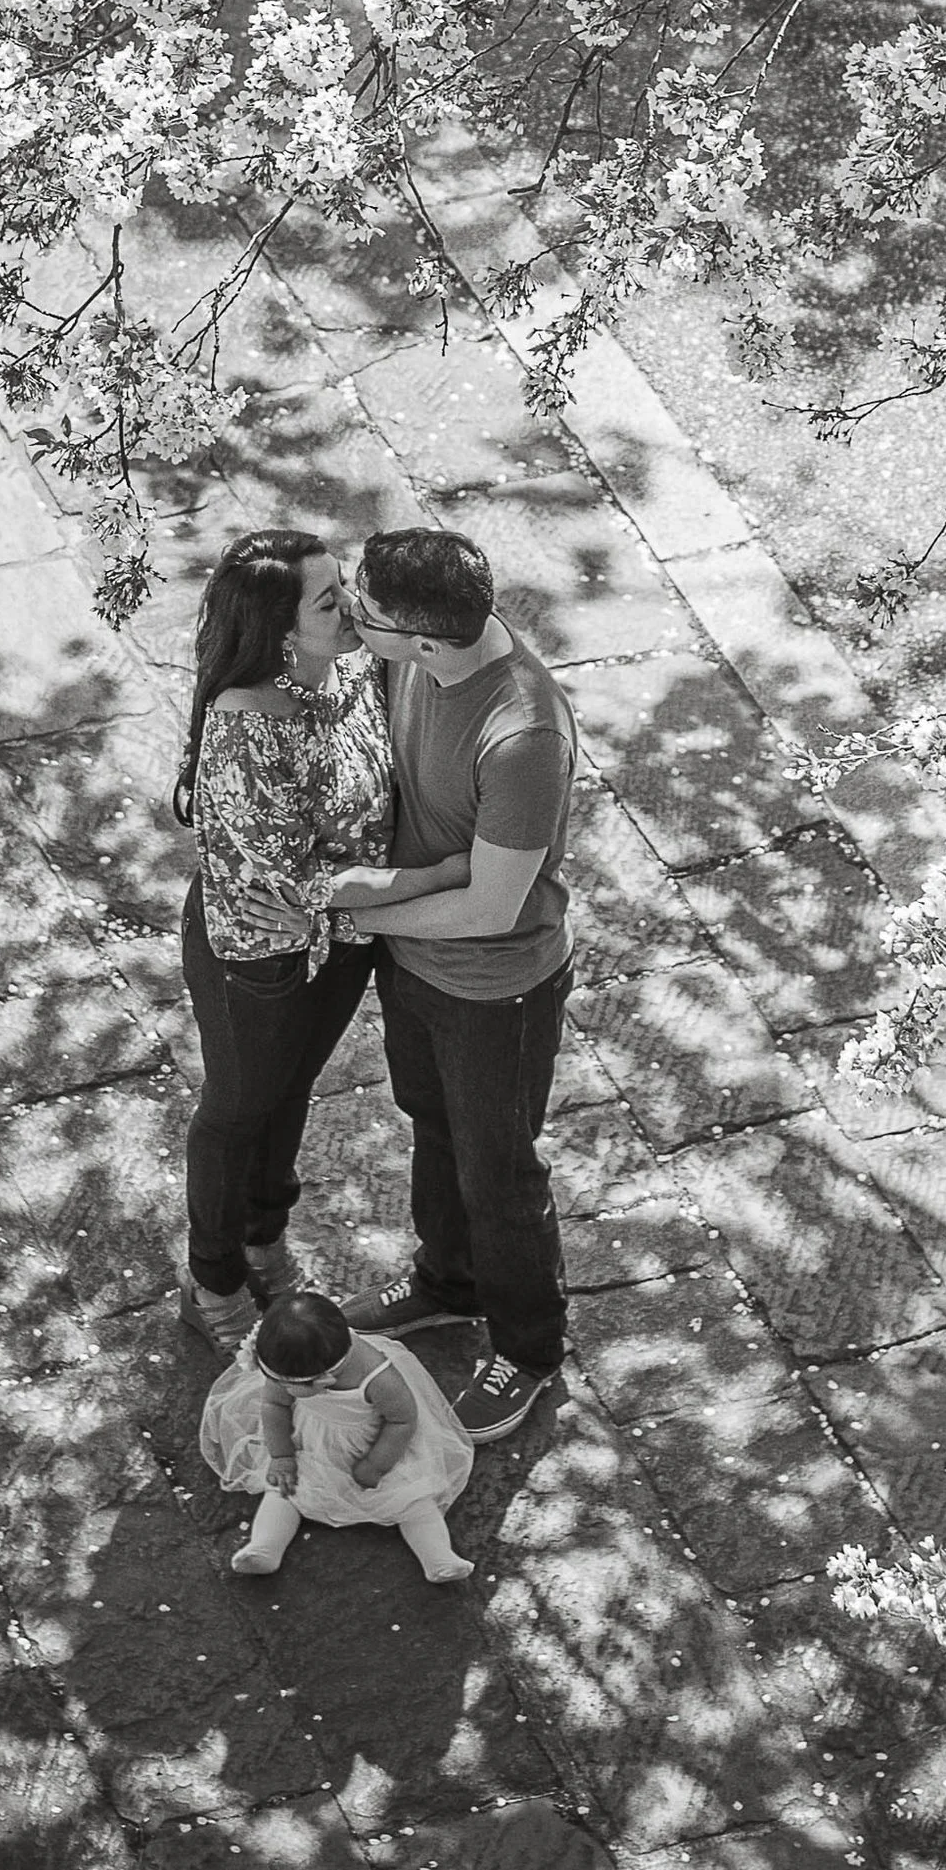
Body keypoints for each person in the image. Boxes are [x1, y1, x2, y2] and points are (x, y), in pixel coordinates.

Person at [243, 527, 576, 1444]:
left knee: (500, 1171)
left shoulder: (524, 737)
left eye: (366, 609)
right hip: (417, 964)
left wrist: (346, 918)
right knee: (432, 1124)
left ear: (421, 639)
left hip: (493, 986)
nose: (351, 608)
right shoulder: (413, 658)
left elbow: (494, 906)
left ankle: (530, 1348)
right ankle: (446, 1280)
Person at [171, 529, 470, 1351]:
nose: (353, 608)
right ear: (279, 632)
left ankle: (264, 1237)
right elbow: (293, 888)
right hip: (259, 959)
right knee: (236, 1108)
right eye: (331, 600)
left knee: (291, 1088)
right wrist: (444, 875)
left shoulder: (349, 669)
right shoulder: (245, 731)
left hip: (340, 943)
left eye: (345, 587)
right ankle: (212, 1275)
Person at [198, 1290, 475, 1581]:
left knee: (414, 1500)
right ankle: (264, 1548)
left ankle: (438, 1557)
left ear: (327, 1375)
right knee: (283, 1489)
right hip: (311, 1442)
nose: (282, 1387)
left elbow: (402, 1420)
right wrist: (281, 1455)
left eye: (292, 1385)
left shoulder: (378, 1377)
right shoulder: (287, 1369)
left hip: (378, 1444)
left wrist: (376, 1464)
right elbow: (274, 1405)